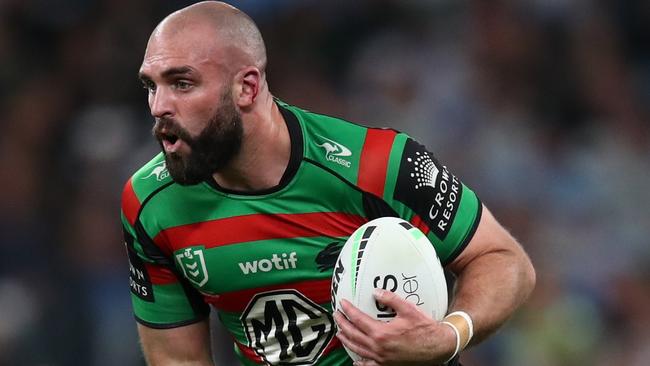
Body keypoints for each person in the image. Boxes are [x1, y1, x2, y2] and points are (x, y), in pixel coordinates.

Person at [121, 1, 536, 365]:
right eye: (150, 86)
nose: (159, 106)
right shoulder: (151, 204)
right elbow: (178, 358)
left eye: (182, 83)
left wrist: (448, 336)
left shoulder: (377, 165)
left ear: (246, 87)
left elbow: (503, 260)